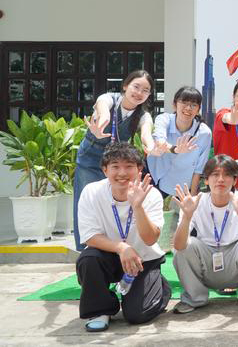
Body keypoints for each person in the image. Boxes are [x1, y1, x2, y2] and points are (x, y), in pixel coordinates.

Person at [76, 142, 170, 332]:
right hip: (108, 256)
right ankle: (100, 310)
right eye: (115, 166)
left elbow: (150, 239)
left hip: (143, 259)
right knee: (88, 258)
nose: (122, 173)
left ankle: (160, 287)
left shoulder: (151, 195)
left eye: (129, 166)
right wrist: (122, 247)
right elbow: (89, 236)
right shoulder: (91, 192)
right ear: (105, 170)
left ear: (139, 169)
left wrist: (137, 206)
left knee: (137, 315)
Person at [74, 70, 159, 250]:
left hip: (116, 165)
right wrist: (101, 123)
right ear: (125, 86)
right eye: (136, 87)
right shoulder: (108, 99)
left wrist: (152, 147)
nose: (139, 93)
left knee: (115, 202)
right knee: (86, 200)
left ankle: (115, 245)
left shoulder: (143, 115)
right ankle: (85, 250)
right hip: (90, 159)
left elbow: (146, 134)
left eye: (145, 90)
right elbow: (103, 110)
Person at [171, 155, 238, 314]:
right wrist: (187, 216)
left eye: (227, 175)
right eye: (215, 174)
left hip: (234, 260)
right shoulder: (194, 202)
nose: (221, 179)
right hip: (206, 261)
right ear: (206, 180)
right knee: (187, 244)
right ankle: (194, 298)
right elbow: (179, 246)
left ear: (235, 180)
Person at [147, 86, 212, 197]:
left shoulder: (204, 133)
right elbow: (160, 141)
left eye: (193, 105)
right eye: (184, 102)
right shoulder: (164, 119)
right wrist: (175, 149)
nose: (188, 108)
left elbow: (198, 169)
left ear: (198, 110)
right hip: (155, 178)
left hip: (182, 186)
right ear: (175, 104)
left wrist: (192, 196)